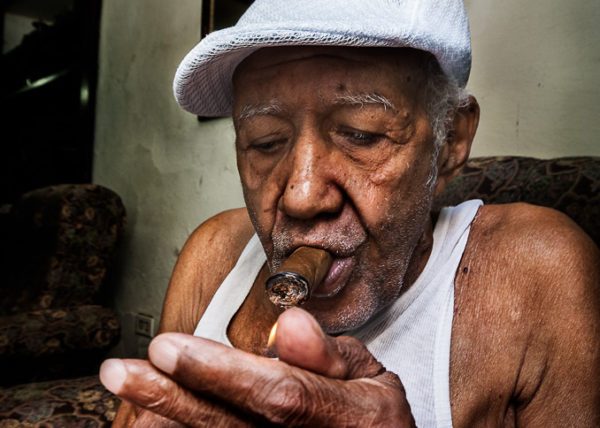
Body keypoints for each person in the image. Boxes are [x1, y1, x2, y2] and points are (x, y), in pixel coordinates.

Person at [100, 0, 600, 426]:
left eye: (361, 135)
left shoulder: (538, 270)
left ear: (451, 141)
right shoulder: (213, 253)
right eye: (265, 141)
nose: (301, 195)